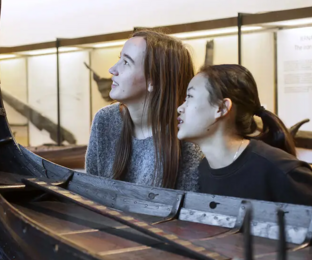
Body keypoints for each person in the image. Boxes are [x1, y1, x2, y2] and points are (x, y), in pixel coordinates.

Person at [177, 64, 312, 204]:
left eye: (190, 97)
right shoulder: (202, 170)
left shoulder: (281, 171)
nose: (180, 108)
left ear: (221, 108)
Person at [85, 30, 202, 190]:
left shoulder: (187, 141)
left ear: (152, 80)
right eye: (120, 59)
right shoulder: (105, 120)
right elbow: (90, 194)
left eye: (126, 62)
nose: (112, 70)